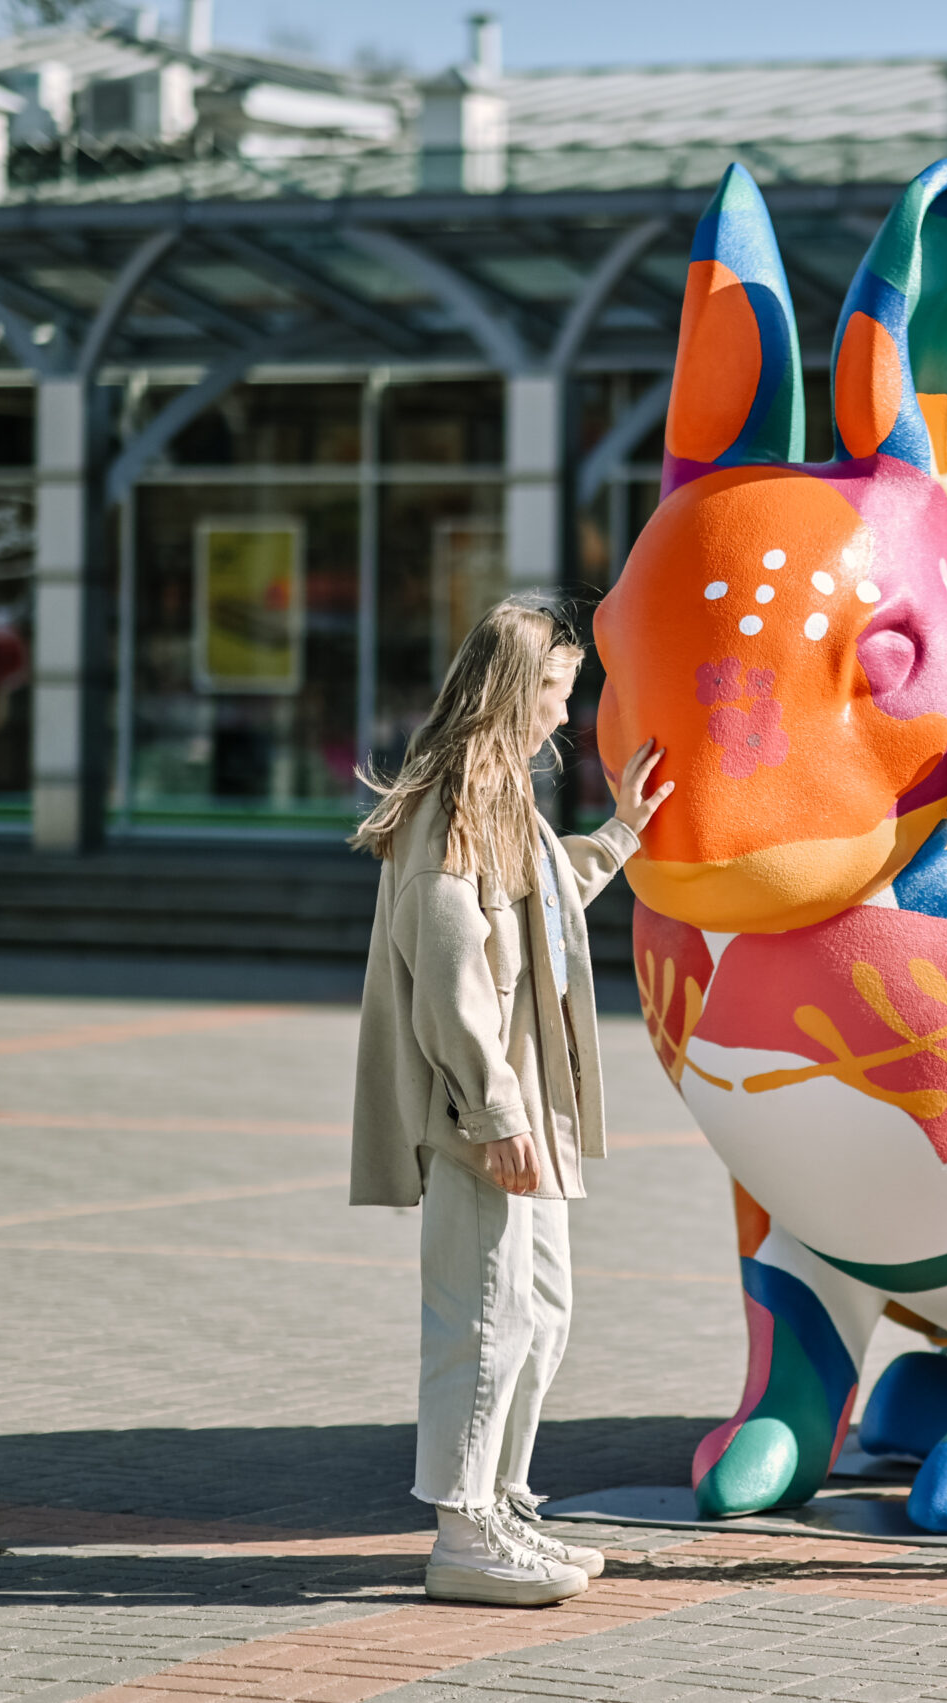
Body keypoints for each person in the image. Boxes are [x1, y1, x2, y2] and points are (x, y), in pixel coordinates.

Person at [347, 595, 673, 1607]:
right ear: (508, 688)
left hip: (523, 1102)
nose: (563, 714)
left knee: (538, 1308)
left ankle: (501, 1501)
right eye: (554, 689)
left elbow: (539, 897)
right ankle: (464, 1527)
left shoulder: (494, 796)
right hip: (489, 1111)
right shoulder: (452, 799)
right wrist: (494, 1116)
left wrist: (622, 830)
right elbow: (446, 974)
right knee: (481, 1316)